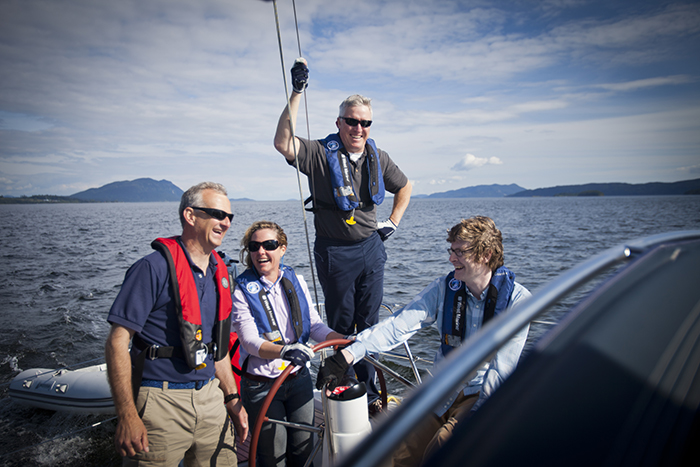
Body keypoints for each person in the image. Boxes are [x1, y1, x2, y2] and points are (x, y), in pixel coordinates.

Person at [316, 216, 532, 467]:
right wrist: (349, 354)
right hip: (442, 389)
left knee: (442, 448)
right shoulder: (444, 288)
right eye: (451, 251)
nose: (451, 258)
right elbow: (400, 324)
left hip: (480, 393)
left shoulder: (516, 301)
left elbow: (501, 369)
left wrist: (480, 418)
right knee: (391, 450)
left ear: (486, 254)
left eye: (460, 252)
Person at [273, 58, 413, 413]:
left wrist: (393, 222)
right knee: (340, 322)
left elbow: (406, 186)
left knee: (369, 324)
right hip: (335, 252)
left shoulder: (377, 157)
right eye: (352, 121)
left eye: (365, 123)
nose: (358, 128)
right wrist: (297, 91)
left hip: (372, 249)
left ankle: (366, 394)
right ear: (339, 123)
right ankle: (340, 388)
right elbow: (282, 142)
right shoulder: (320, 154)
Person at [105, 182, 248, 466]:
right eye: (217, 214)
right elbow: (117, 342)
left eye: (229, 217)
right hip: (160, 403)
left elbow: (216, 350)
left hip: (210, 399)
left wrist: (232, 399)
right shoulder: (151, 268)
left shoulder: (221, 273)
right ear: (190, 216)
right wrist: (127, 415)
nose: (226, 223)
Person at [232, 221, 345, 467]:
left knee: (305, 449)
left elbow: (314, 325)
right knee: (273, 457)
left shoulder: (296, 280)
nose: (260, 252)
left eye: (269, 245)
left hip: (298, 379)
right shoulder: (241, 291)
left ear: (282, 248)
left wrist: (340, 340)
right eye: (254, 246)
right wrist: (285, 351)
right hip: (261, 387)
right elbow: (250, 342)